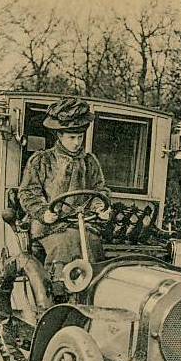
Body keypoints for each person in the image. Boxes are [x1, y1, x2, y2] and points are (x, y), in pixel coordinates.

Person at [18, 98, 111, 282]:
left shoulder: (90, 162)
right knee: (64, 245)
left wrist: (100, 207)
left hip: (82, 224)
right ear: (59, 136)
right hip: (48, 227)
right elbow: (28, 193)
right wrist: (43, 212)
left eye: (80, 137)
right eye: (71, 137)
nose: (77, 143)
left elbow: (100, 190)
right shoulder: (41, 160)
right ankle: (56, 293)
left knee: (94, 245)